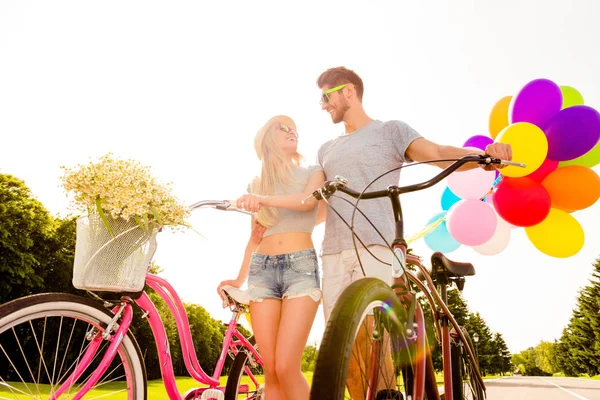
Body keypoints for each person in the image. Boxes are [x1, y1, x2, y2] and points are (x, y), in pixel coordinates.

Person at [315, 66, 512, 399]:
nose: (322, 105)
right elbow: (318, 206)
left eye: (326, 96)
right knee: (341, 350)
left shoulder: (390, 131)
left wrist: (482, 157)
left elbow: (435, 154)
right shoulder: (326, 149)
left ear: (349, 91)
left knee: (375, 343)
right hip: (333, 250)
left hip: (375, 243)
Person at [217, 115, 325, 400]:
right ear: (266, 139)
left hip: (300, 268)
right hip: (261, 271)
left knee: (287, 366)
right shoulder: (256, 184)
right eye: (284, 127)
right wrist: (239, 279)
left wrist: (263, 199)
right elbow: (255, 237)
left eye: (295, 129)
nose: (293, 132)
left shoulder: (313, 172)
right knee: (272, 373)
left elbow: (308, 202)